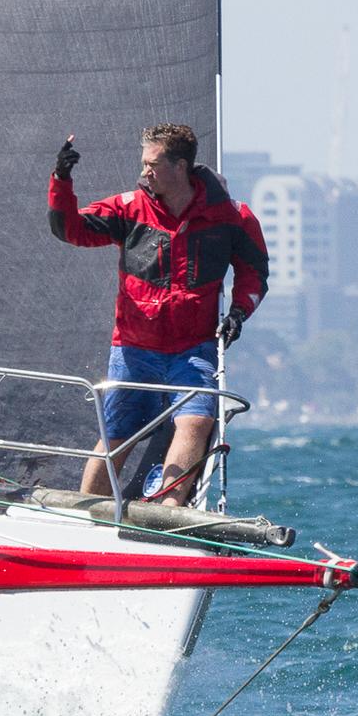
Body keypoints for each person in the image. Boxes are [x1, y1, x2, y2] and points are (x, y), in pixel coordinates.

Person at [48, 124, 268, 506]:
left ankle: (167, 514)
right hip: (134, 349)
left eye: (152, 164)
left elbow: (254, 273)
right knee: (117, 434)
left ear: (180, 166)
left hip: (193, 348)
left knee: (197, 421)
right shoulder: (127, 207)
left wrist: (238, 312)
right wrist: (61, 179)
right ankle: (84, 517)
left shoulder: (231, 216)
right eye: (143, 164)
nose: (144, 172)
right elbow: (70, 230)